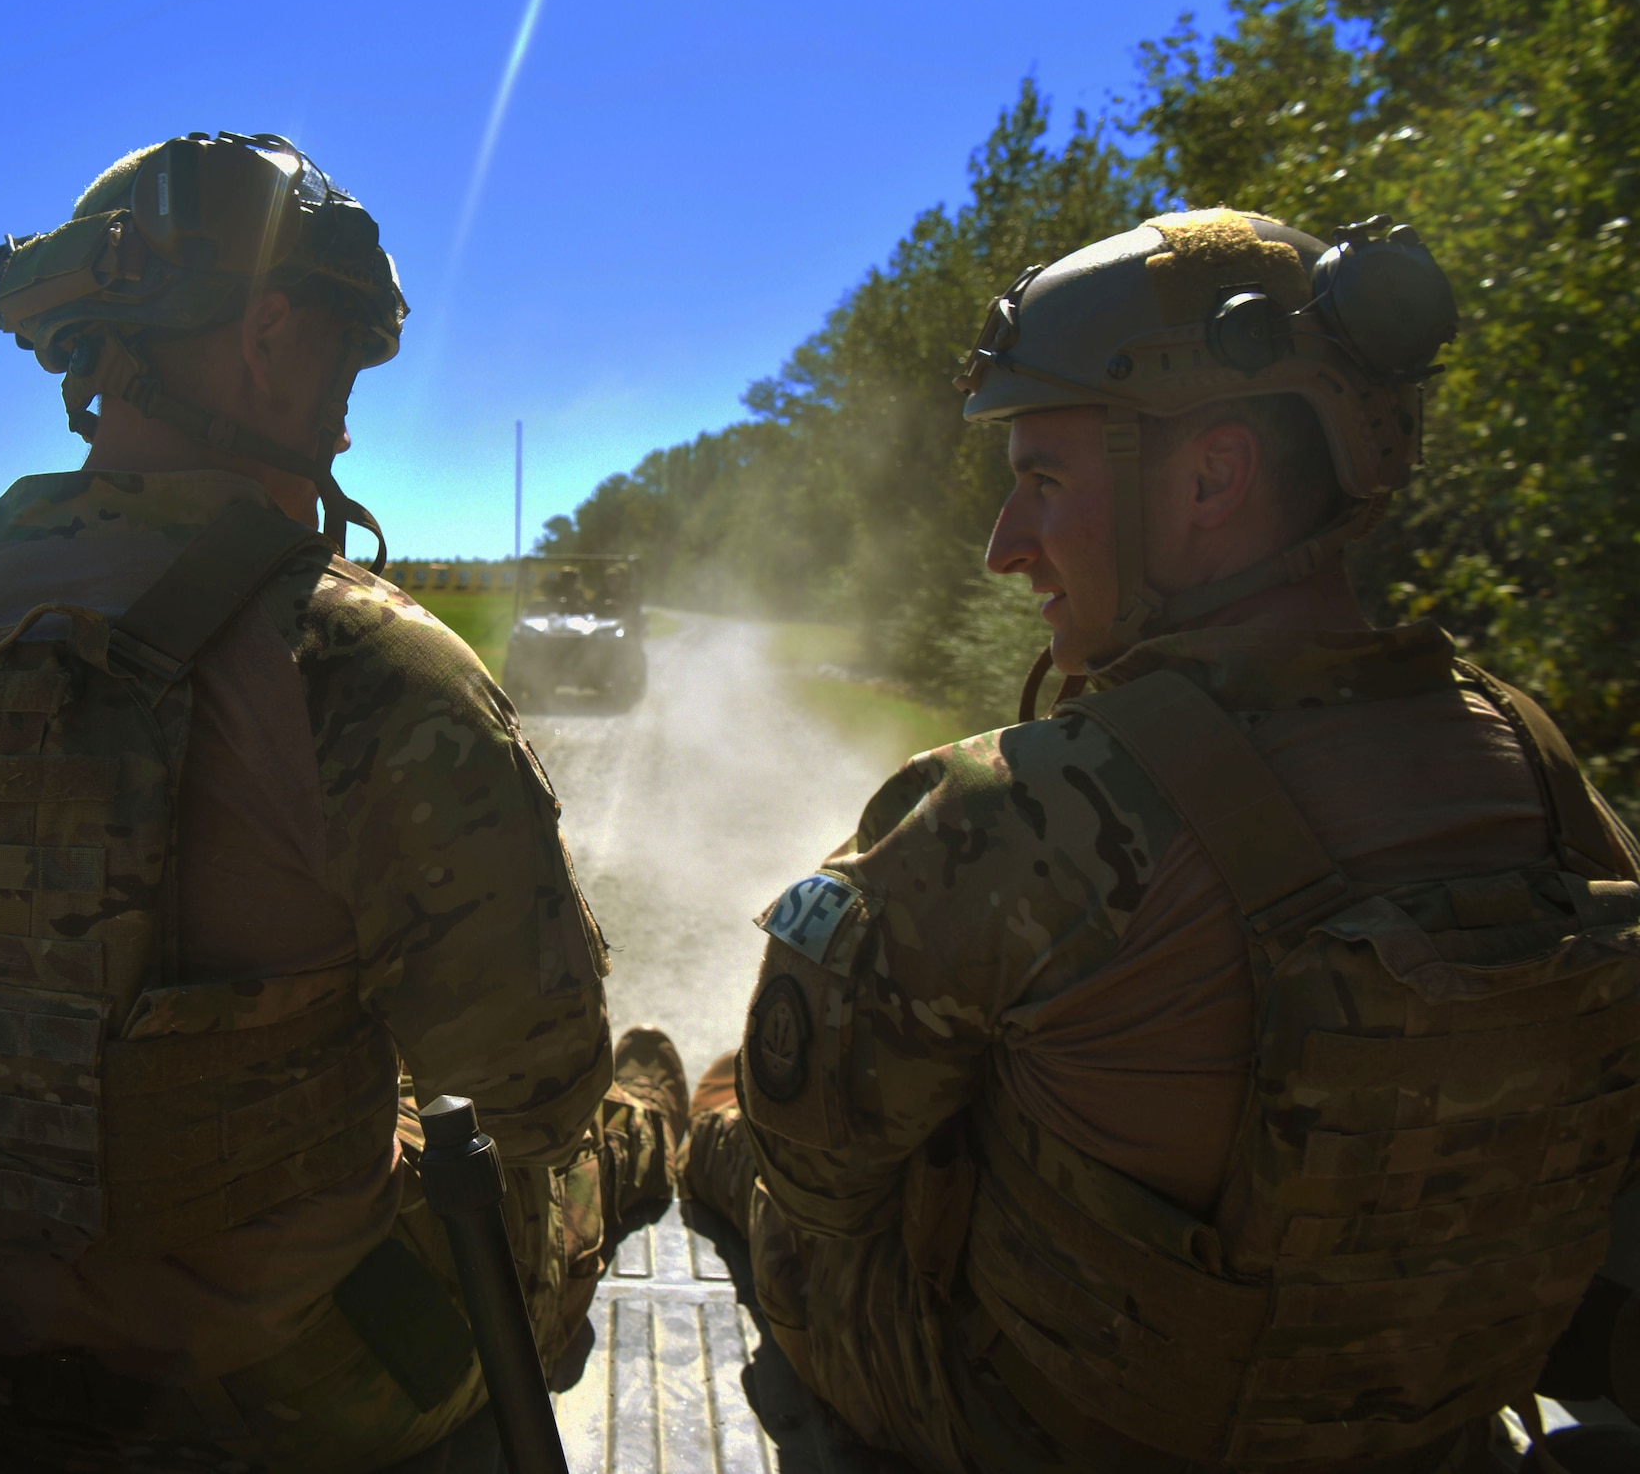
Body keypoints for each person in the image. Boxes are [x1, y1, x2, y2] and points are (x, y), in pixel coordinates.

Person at [685, 209, 1640, 1473]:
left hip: (1058, 1431)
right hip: (1429, 1427)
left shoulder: (1022, 811)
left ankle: (656, 1103)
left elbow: (816, 1175)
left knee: (725, 1125)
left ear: (1207, 479)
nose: (1002, 547)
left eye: (1042, 481)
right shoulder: (1532, 760)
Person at [0, 132, 687, 1472]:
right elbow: (531, 1092)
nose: (343, 412)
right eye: (338, 351)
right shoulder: (355, 659)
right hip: (294, 1390)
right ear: (268, 334)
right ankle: (673, 1119)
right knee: (605, 1120)